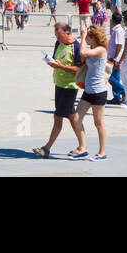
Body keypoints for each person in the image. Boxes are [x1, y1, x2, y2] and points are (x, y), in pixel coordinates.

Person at [32, 21, 86, 158]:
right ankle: (83, 146)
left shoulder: (76, 47)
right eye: (56, 36)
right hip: (59, 84)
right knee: (72, 117)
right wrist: (52, 63)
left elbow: (79, 70)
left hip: (70, 86)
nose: (58, 39)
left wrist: (61, 67)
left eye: (60, 36)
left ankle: (46, 148)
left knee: (58, 117)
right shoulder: (58, 43)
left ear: (68, 33)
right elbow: (57, 60)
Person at [73, 25, 111, 161]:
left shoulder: (101, 50)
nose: (86, 39)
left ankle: (102, 152)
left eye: (88, 37)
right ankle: (83, 148)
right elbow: (82, 56)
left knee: (98, 123)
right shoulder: (93, 49)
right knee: (76, 118)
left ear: (93, 37)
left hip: (98, 92)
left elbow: (83, 53)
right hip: (88, 91)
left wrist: (83, 36)